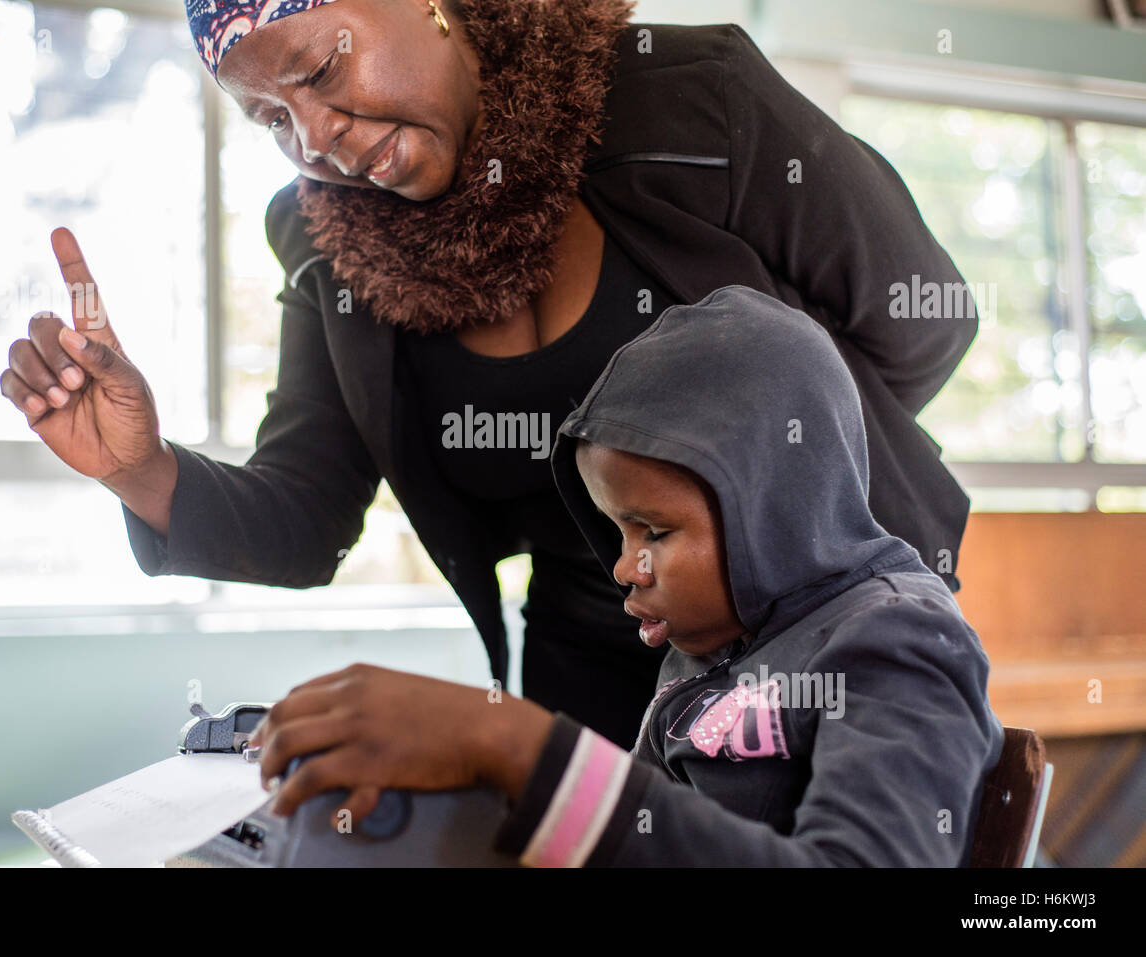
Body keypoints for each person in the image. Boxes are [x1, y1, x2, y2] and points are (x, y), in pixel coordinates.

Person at [0, 0, 978, 750]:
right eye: (269, 118)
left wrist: (756, 520)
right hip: (587, 670)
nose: (315, 138)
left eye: (321, 67)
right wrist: (138, 469)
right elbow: (302, 519)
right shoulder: (323, 243)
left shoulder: (688, 94)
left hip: (820, 644)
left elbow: (918, 323)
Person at [245, 286, 1007, 867]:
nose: (622, 566)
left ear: (773, 496)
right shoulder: (707, 653)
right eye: (618, 530)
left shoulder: (900, 637)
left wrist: (520, 744)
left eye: (656, 530)